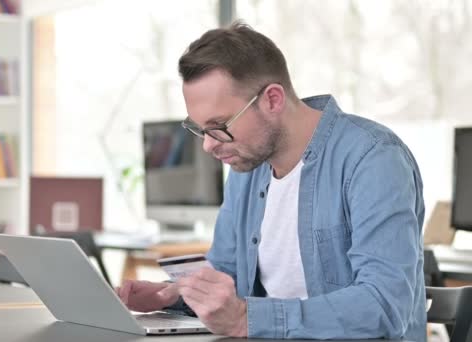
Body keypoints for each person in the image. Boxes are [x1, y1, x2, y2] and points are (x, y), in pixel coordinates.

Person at [116, 22, 426, 340]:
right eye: (200, 129)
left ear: (272, 100)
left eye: (219, 125)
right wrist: (176, 295)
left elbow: (385, 306)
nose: (208, 145)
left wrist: (246, 319)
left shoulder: (372, 158)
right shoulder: (246, 167)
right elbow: (227, 274)